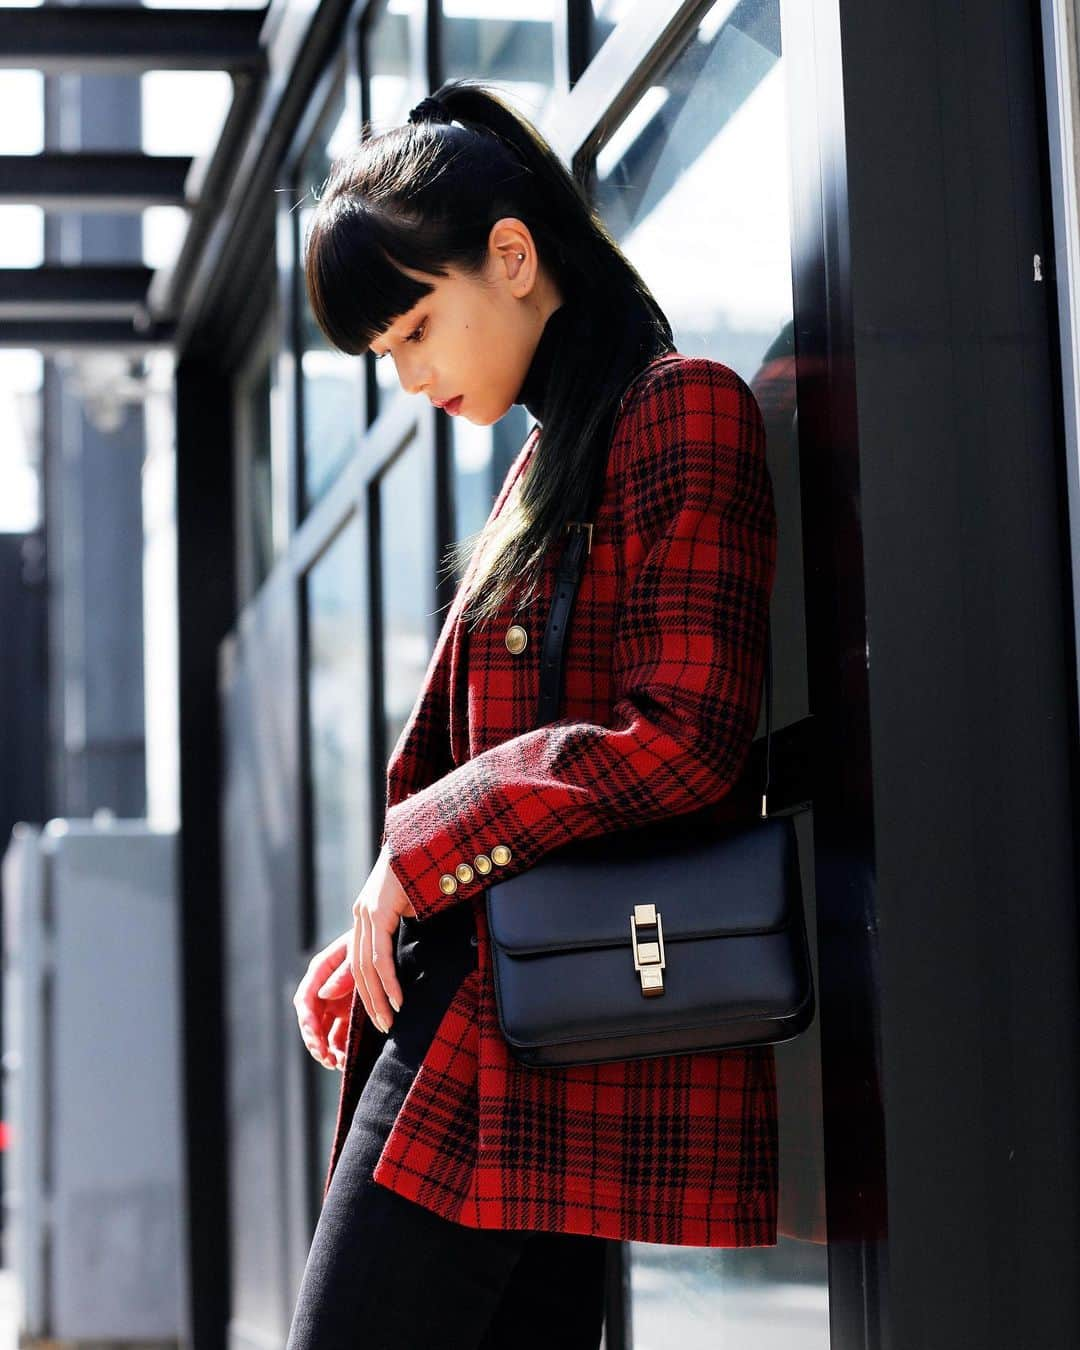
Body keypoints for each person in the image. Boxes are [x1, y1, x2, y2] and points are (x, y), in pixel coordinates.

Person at [286, 78, 779, 1350]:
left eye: (414, 328)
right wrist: (389, 918)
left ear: (512, 255)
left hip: (529, 1051)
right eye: (386, 353)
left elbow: (686, 734)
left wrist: (428, 849)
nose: (408, 376)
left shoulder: (680, 409)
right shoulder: (540, 472)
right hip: (501, 1040)